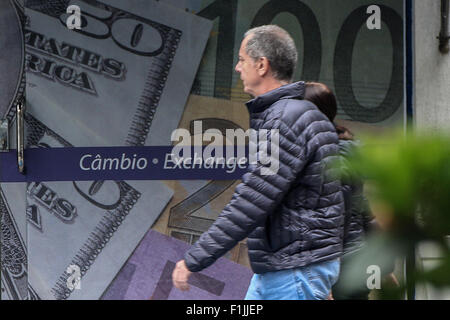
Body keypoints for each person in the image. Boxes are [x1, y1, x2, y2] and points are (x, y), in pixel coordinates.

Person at [172, 25, 344, 300]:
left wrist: (194, 258)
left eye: (242, 59)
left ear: (262, 64)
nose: (237, 68)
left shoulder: (283, 120)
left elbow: (252, 200)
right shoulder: (299, 114)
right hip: (287, 267)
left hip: (293, 271)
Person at [303, 82, 398, 300]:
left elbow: (335, 221)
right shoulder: (343, 149)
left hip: (338, 267)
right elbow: (366, 214)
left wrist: (323, 279)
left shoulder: (329, 157)